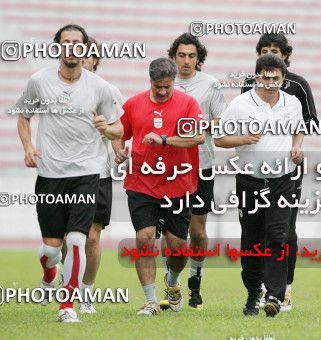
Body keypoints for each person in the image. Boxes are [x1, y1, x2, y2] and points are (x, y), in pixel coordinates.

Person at [16, 24, 123, 322]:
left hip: (88, 172)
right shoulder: (38, 81)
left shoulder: (100, 87)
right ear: (57, 47)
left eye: (78, 43)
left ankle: (67, 305)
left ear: (85, 47)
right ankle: (49, 270)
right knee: (51, 248)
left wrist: (107, 128)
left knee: (78, 239)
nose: (73, 48)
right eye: (67, 42)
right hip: (50, 174)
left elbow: (119, 127)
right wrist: (28, 147)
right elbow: (24, 117)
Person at [215, 54, 304, 317]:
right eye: (265, 77)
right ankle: (253, 292)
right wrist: (243, 138)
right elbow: (219, 139)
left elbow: (298, 129)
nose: (270, 82)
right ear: (257, 77)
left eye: (275, 78)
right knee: (252, 239)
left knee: (278, 235)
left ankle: (274, 296)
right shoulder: (240, 105)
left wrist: (296, 147)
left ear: (283, 79)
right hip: (250, 180)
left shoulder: (293, 103)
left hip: (283, 180)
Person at [116, 57, 204, 316]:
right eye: (158, 87)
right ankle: (150, 300)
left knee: (177, 247)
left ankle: (173, 281)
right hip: (141, 182)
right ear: (150, 81)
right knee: (144, 239)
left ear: (173, 81)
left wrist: (165, 139)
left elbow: (197, 137)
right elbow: (118, 133)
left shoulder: (188, 104)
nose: (164, 92)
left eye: (168, 86)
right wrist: (119, 150)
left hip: (178, 182)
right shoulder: (133, 104)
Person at [241, 33, 318, 311]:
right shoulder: (250, 85)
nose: (268, 54)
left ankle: (284, 289)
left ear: (285, 55)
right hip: (254, 171)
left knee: (286, 231)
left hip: (288, 170)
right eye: (263, 50)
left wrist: (294, 145)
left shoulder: (298, 86)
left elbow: (309, 124)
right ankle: (261, 289)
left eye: (274, 50)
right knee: (257, 230)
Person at [158, 33, 226, 311]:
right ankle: (171, 282)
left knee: (197, 232)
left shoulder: (210, 84)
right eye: (181, 55)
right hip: (169, 168)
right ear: (173, 56)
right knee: (171, 234)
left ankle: (195, 284)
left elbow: (222, 122)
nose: (186, 61)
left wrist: (196, 126)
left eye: (192, 56)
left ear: (199, 59)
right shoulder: (163, 84)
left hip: (201, 166)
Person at [77, 36, 124, 314]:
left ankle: (86, 293)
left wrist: (118, 149)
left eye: (87, 55)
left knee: (92, 236)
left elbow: (118, 127)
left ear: (95, 60)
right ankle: (67, 271)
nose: (81, 59)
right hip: (63, 174)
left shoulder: (108, 90)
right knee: (69, 237)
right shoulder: (59, 91)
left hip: (98, 172)